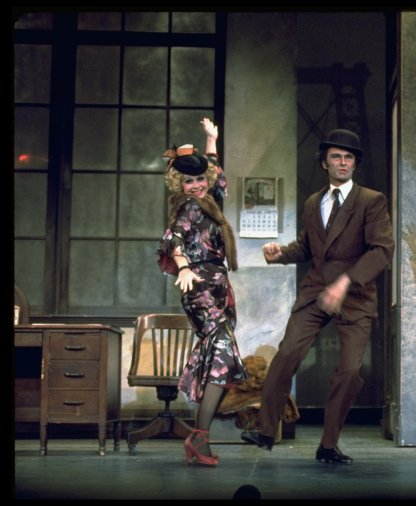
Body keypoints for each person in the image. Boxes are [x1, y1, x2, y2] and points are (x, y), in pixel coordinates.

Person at [240, 128, 394, 464]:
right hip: (315, 292)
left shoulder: (371, 200)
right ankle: (266, 431)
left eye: (349, 157)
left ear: (355, 163)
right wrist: (279, 253)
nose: (343, 162)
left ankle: (328, 445)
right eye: (336, 156)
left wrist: (345, 283)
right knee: (287, 355)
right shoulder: (314, 202)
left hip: (355, 295)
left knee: (350, 371)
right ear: (324, 162)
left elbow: (382, 251)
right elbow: (308, 246)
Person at [157, 118, 248, 466]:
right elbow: (173, 237)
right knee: (223, 356)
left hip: (217, 284)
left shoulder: (210, 201)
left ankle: (199, 438)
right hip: (198, 286)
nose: (195, 185)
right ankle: (201, 438)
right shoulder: (189, 207)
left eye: (199, 179)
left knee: (218, 359)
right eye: (188, 180)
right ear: (178, 183)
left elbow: (217, 179)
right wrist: (181, 266)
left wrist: (211, 141)